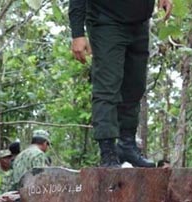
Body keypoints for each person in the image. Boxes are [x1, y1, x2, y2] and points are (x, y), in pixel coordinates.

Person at [69, 0, 172, 168]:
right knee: (107, 87)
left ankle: (127, 144)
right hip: (106, 21)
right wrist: (77, 33)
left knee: (135, 86)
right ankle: (108, 151)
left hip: (139, 24)